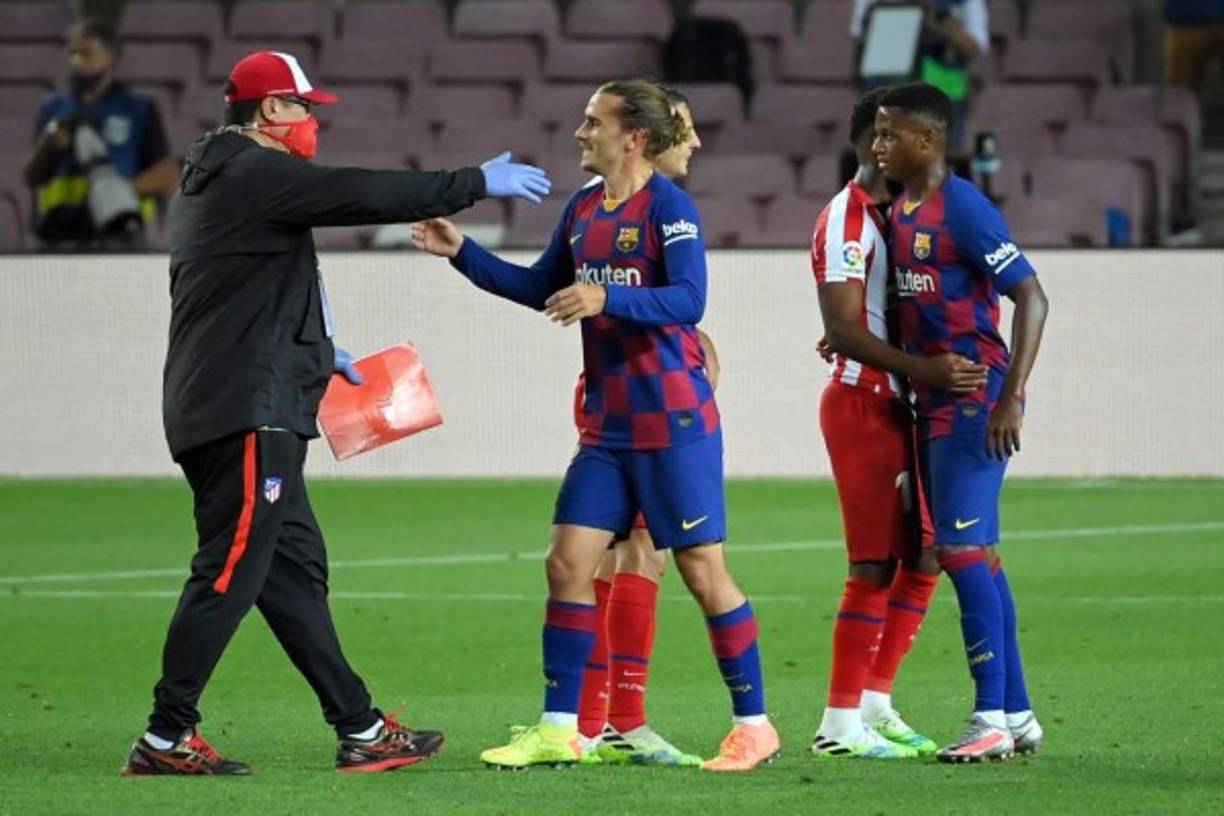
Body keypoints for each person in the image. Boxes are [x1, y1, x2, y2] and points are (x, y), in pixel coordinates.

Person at [122, 49, 550, 777]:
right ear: (270, 112)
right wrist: (474, 182)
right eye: (305, 108)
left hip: (241, 399)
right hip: (246, 411)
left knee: (290, 572)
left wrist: (320, 349)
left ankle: (361, 727)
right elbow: (360, 194)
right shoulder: (253, 171)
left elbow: (237, 290)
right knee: (227, 572)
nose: (314, 121)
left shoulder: (222, 175)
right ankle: (166, 737)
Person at [412, 79, 780, 773]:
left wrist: (607, 293)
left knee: (704, 573)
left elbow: (690, 297)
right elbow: (539, 287)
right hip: (608, 429)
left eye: (592, 122)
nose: (580, 132)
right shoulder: (583, 208)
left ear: (631, 136)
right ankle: (561, 727)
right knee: (567, 562)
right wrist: (461, 252)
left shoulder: (669, 206)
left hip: (674, 423)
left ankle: (754, 725)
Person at [811, 87, 991, 760]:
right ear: (870, 142)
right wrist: (926, 368)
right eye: (883, 137)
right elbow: (844, 328)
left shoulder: (895, 217)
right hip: (863, 404)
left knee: (923, 553)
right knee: (871, 565)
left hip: (899, 403)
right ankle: (838, 723)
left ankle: (877, 701)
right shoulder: (846, 220)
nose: (892, 148)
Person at [872, 82, 1049, 762]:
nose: (880, 146)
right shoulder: (904, 209)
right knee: (981, 558)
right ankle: (1020, 712)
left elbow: (1032, 297)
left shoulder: (964, 209)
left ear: (928, 141)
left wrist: (1011, 398)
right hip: (937, 400)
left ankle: (990, 718)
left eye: (890, 134)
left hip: (977, 398)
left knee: (962, 552)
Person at [574, 85, 714, 768]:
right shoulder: (636, 205)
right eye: (684, 131)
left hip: (639, 393)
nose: (691, 145)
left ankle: (599, 718)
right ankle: (610, 717)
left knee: (626, 553)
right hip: (634, 403)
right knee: (627, 553)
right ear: (649, 135)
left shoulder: (652, 209)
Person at [22, 18, 177, 249]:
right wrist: (48, 144)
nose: (76, 61)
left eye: (86, 53)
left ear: (110, 57)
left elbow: (166, 175)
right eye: (72, 53)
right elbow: (31, 178)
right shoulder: (52, 107)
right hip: (58, 233)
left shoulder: (138, 107)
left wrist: (117, 191)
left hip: (117, 231)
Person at [852, 0, 988, 152]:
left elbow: (974, 45)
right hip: (892, 91)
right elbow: (860, 35)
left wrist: (948, 30)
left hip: (944, 98)